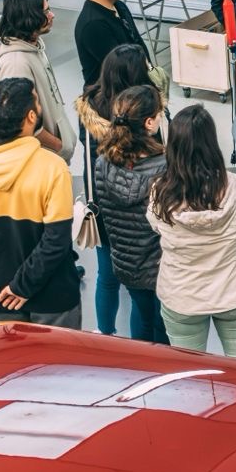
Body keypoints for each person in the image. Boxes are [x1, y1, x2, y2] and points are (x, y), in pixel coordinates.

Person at [0, 78, 82, 329]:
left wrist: (13, 287)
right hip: (52, 298)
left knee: (14, 368)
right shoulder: (52, 168)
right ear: (29, 116)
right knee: (58, 368)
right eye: (37, 101)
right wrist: (22, 286)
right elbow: (56, 241)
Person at [148, 104, 236, 357]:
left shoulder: (160, 192)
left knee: (189, 375)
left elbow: (156, 227)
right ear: (212, 142)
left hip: (183, 294)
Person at [75, 44, 161, 336]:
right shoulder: (144, 111)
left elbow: (88, 157)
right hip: (143, 215)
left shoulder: (89, 108)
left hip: (102, 202)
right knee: (144, 291)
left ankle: (105, 333)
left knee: (106, 276)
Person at [91, 85, 168, 343]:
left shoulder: (102, 163)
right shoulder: (164, 167)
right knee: (164, 327)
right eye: (160, 114)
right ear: (149, 122)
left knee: (143, 318)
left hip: (126, 263)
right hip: (161, 266)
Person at [0, 0, 74, 163]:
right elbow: (19, 122)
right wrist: (57, 146)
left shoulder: (33, 45)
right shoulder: (15, 64)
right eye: (46, 12)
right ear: (29, 18)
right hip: (42, 159)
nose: (52, 16)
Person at [74, 0, 147, 89]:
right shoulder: (93, 25)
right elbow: (120, 70)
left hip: (135, 89)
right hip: (112, 99)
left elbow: (138, 44)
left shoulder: (119, 6)